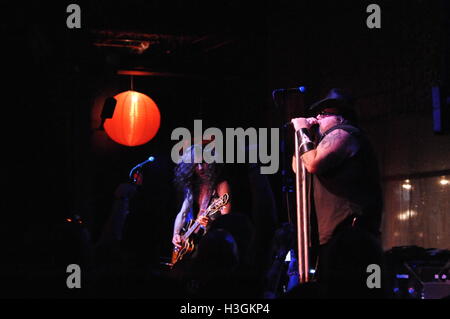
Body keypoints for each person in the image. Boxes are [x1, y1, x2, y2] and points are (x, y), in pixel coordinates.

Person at [291, 88, 384, 298]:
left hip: (353, 234)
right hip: (331, 236)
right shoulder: (320, 141)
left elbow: (313, 163)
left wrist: (303, 131)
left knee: (359, 291)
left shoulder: (346, 133)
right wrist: (303, 135)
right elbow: (300, 169)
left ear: (338, 116)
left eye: (323, 115)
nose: (318, 119)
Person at [171, 144, 231, 258]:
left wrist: (210, 225)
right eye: (195, 164)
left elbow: (226, 221)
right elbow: (182, 213)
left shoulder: (221, 185)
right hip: (192, 240)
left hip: (211, 243)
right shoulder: (193, 186)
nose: (200, 168)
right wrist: (176, 234)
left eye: (204, 162)